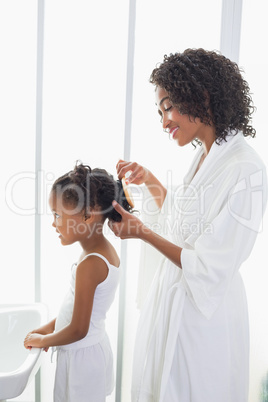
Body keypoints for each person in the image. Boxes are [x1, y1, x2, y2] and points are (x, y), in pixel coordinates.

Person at [108, 48, 268, 401]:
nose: (164, 121)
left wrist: (141, 232)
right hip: (174, 302)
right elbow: (183, 223)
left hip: (204, 319)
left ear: (203, 95)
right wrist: (149, 180)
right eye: (160, 111)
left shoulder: (246, 169)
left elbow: (209, 264)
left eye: (168, 107)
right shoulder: (205, 155)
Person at [24, 162, 133, 402]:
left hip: (81, 360)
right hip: (89, 352)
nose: (54, 223)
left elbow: (78, 329)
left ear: (89, 214)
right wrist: (48, 328)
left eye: (57, 215)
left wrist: (45, 340)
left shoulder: (91, 264)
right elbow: (77, 310)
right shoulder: (101, 252)